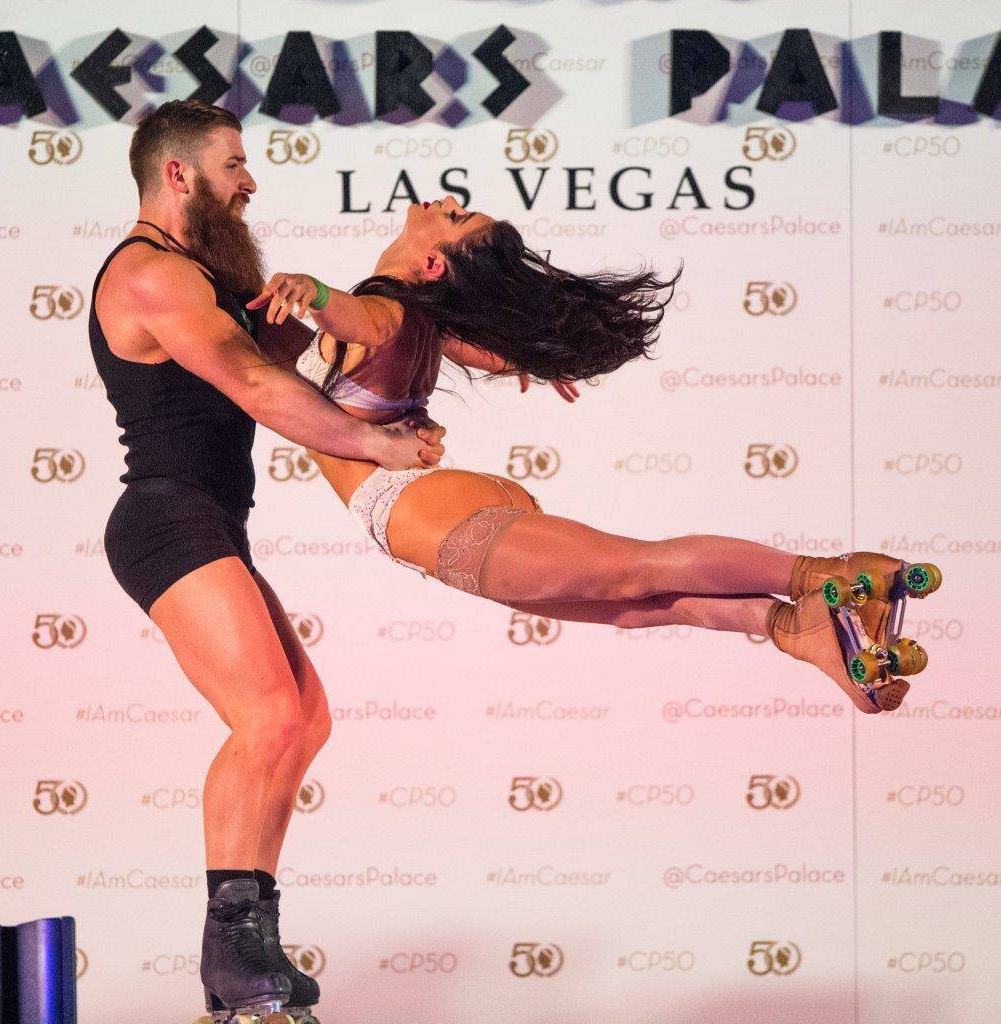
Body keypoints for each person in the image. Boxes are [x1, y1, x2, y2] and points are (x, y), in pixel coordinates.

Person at [246, 195, 942, 719]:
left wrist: (311, 293)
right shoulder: (424, 313)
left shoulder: (383, 307)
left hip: (421, 513)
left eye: (454, 217)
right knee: (634, 606)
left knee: (635, 572)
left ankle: (833, 574)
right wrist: (525, 356)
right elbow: (460, 344)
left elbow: (359, 320)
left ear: (431, 263)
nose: (444, 203)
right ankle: (799, 626)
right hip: (446, 504)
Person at [89, 100, 445, 1024]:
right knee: (268, 714)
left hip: (207, 516)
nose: (249, 183)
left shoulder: (195, 277)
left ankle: (239, 955)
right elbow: (249, 383)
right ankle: (234, 949)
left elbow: (260, 354)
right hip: (165, 518)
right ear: (178, 173)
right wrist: (376, 449)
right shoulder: (149, 274)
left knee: (304, 719)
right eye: (235, 164)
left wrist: (356, 293)